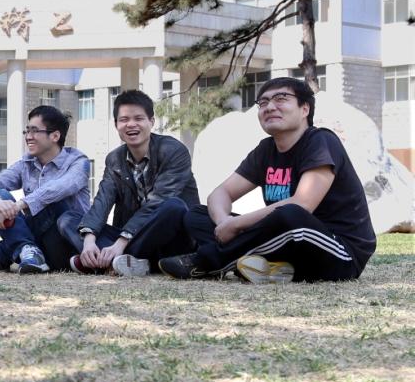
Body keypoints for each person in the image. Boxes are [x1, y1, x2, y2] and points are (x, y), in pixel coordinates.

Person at [161, 77, 377, 283]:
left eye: (281, 99)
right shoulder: (266, 150)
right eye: (263, 102)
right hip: (289, 244)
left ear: (305, 109)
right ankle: (268, 267)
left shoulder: (321, 141)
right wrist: (223, 222)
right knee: (197, 216)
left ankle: (210, 262)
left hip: (339, 251)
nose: (270, 107)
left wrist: (236, 224)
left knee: (291, 215)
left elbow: (303, 204)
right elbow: (220, 193)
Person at [60, 90, 199, 277]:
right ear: (116, 124)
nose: (131, 124)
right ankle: (122, 261)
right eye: (124, 119)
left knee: (174, 207)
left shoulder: (173, 151)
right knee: (67, 219)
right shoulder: (114, 159)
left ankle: (115, 260)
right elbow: (102, 201)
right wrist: (89, 241)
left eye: (138, 118)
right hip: (131, 237)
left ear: (151, 121)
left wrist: (120, 243)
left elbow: (158, 202)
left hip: (171, 239)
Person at [0, 105, 91, 274]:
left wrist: (18, 206)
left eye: (34, 131)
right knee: (1, 195)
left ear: (55, 136)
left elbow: (57, 188)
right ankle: (27, 250)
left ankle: (2, 253)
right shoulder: (27, 163)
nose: (28, 137)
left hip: (66, 244)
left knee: (51, 202)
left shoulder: (78, 162)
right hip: (39, 243)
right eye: (27, 131)